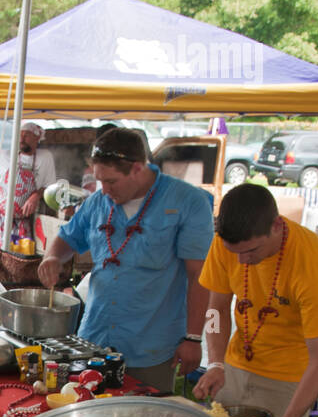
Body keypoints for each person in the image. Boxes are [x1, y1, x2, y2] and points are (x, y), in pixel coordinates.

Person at [37, 126, 214, 392]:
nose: (104, 190)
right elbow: (67, 237)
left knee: (144, 416)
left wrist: (193, 338)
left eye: (111, 182)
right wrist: (52, 257)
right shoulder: (97, 202)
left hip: (150, 348)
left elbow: (199, 275)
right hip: (94, 339)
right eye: (99, 181)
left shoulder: (187, 202)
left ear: (137, 168)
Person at [193, 183, 318, 417]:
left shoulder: (312, 262)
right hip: (236, 368)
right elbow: (216, 309)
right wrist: (216, 363)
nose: (243, 262)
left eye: (251, 251)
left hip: (290, 382)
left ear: (277, 226)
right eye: (235, 253)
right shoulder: (229, 243)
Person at [0, 121, 45, 262]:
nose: (22, 139)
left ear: (37, 138)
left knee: (18, 263)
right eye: (20, 135)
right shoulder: (6, 157)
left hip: (22, 223)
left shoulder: (43, 159)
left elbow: (48, 185)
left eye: (26, 135)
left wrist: (36, 195)